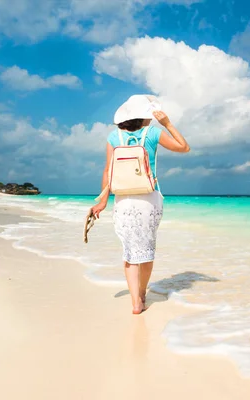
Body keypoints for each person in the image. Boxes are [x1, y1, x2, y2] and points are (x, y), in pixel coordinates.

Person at [90, 95, 190, 314]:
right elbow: (184, 147)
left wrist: (102, 201)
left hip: (123, 199)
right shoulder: (154, 133)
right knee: (146, 249)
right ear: (145, 115)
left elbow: (108, 170)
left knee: (129, 252)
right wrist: (167, 123)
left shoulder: (113, 137)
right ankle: (143, 293)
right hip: (149, 199)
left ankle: (135, 301)